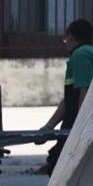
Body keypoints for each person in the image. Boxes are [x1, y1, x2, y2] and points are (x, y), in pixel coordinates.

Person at [40, 19, 93, 174]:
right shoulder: (87, 53)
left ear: (70, 36)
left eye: (65, 39)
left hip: (78, 121)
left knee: (60, 165)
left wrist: (81, 127)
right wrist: (49, 126)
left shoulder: (80, 54)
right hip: (75, 120)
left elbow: (85, 91)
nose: (66, 43)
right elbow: (69, 99)